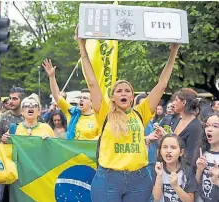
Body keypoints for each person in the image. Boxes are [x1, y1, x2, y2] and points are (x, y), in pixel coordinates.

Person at [76, 25, 180, 201]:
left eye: (127, 91)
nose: (123, 93)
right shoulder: (104, 113)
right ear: (113, 97)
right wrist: (81, 45)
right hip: (108, 179)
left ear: (132, 97)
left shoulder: (141, 112)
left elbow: (162, 85)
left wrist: (173, 52)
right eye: (119, 91)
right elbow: (92, 82)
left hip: (139, 179)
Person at [42, 59, 100, 140]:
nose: (81, 100)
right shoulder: (72, 112)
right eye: (80, 97)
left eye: (85, 98)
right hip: (71, 152)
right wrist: (52, 77)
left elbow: (101, 139)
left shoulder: (98, 119)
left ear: (91, 103)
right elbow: (57, 96)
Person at [153, 134, 197, 202]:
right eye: (165, 147)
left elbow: (190, 200)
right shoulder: (158, 169)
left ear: (181, 152)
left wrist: (175, 186)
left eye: (173, 147)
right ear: (160, 151)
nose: (168, 151)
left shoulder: (187, 171)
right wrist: (159, 176)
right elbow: (156, 198)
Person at [195, 112, 219, 202]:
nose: (209, 129)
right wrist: (199, 170)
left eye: (215, 126)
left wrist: (217, 181)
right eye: (207, 126)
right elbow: (195, 186)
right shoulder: (202, 153)